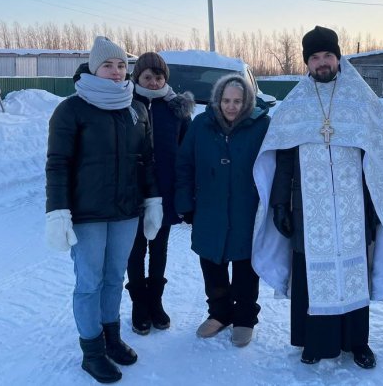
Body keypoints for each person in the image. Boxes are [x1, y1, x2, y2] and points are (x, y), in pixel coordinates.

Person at [252, 26, 383, 369]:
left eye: (328, 55)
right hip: (307, 208)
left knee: (354, 270)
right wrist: (280, 204)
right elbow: (282, 158)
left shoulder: (361, 100)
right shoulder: (294, 105)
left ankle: (358, 342)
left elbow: (379, 157)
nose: (322, 62)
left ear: (338, 58)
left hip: (353, 208)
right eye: (315, 57)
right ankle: (313, 342)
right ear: (307, 63)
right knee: (308, 273)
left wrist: (376, 204)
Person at [45, 36, 162, 384]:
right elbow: (58, 164)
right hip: (87, 214)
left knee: (114, 278)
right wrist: (57, 212)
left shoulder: (136, 109)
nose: (116, 71)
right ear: (94, 68)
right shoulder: (71, 110)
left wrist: (152, 200)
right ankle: (92, 351)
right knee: (89, 282)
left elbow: (146, 161)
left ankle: (112, 337)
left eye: (121, 65)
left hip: (126, 212)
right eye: (108, 65)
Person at [175, 74, 270, 347]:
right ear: (217, 100)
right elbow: (184, 164)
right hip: (209, 209)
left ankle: (244, 317)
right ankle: (220, 313)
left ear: (247, 101)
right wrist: (185, 203)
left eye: (237, 101)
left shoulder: (262, 126)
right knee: (212, 265)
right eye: (226, 100)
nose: (231, 106)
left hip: (247, 209)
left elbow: (273, 165)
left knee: (245, 267)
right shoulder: (201, 125)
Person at [125, 52, 195, 335]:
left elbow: (188, 152)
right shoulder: (125, 104)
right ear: (137, 78)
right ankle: (138, 304)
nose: (153, 82)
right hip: (133, 190)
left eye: (159, 77)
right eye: (147, 77)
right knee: (135, 249)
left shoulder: (176, 110)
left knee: (159, 248)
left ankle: (155, 301)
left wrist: (185, 191)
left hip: (165, 190)